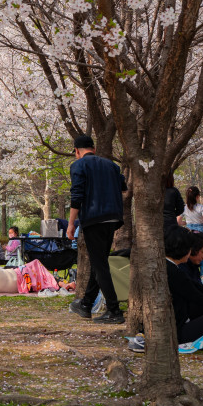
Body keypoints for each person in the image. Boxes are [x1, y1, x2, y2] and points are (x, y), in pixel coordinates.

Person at [65, 135, 126, 324]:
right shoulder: (112, 166)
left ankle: (114, 310)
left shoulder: (78, 165)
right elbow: (123, 187)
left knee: (100, 264)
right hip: (113, 218)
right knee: (98, 261)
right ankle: (86, 304)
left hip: (94, 218)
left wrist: (70, 223)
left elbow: (77, 196)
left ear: (77, 151)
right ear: (94, 148)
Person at [183, 186, 203, 279]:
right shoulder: (201, 207)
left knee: (190, 251)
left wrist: (186, 222)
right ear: (198, 197)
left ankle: (191, 273)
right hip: (200, 231)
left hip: (189, 230)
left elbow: (178, 221)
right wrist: (200, 221)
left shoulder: (184, 208)